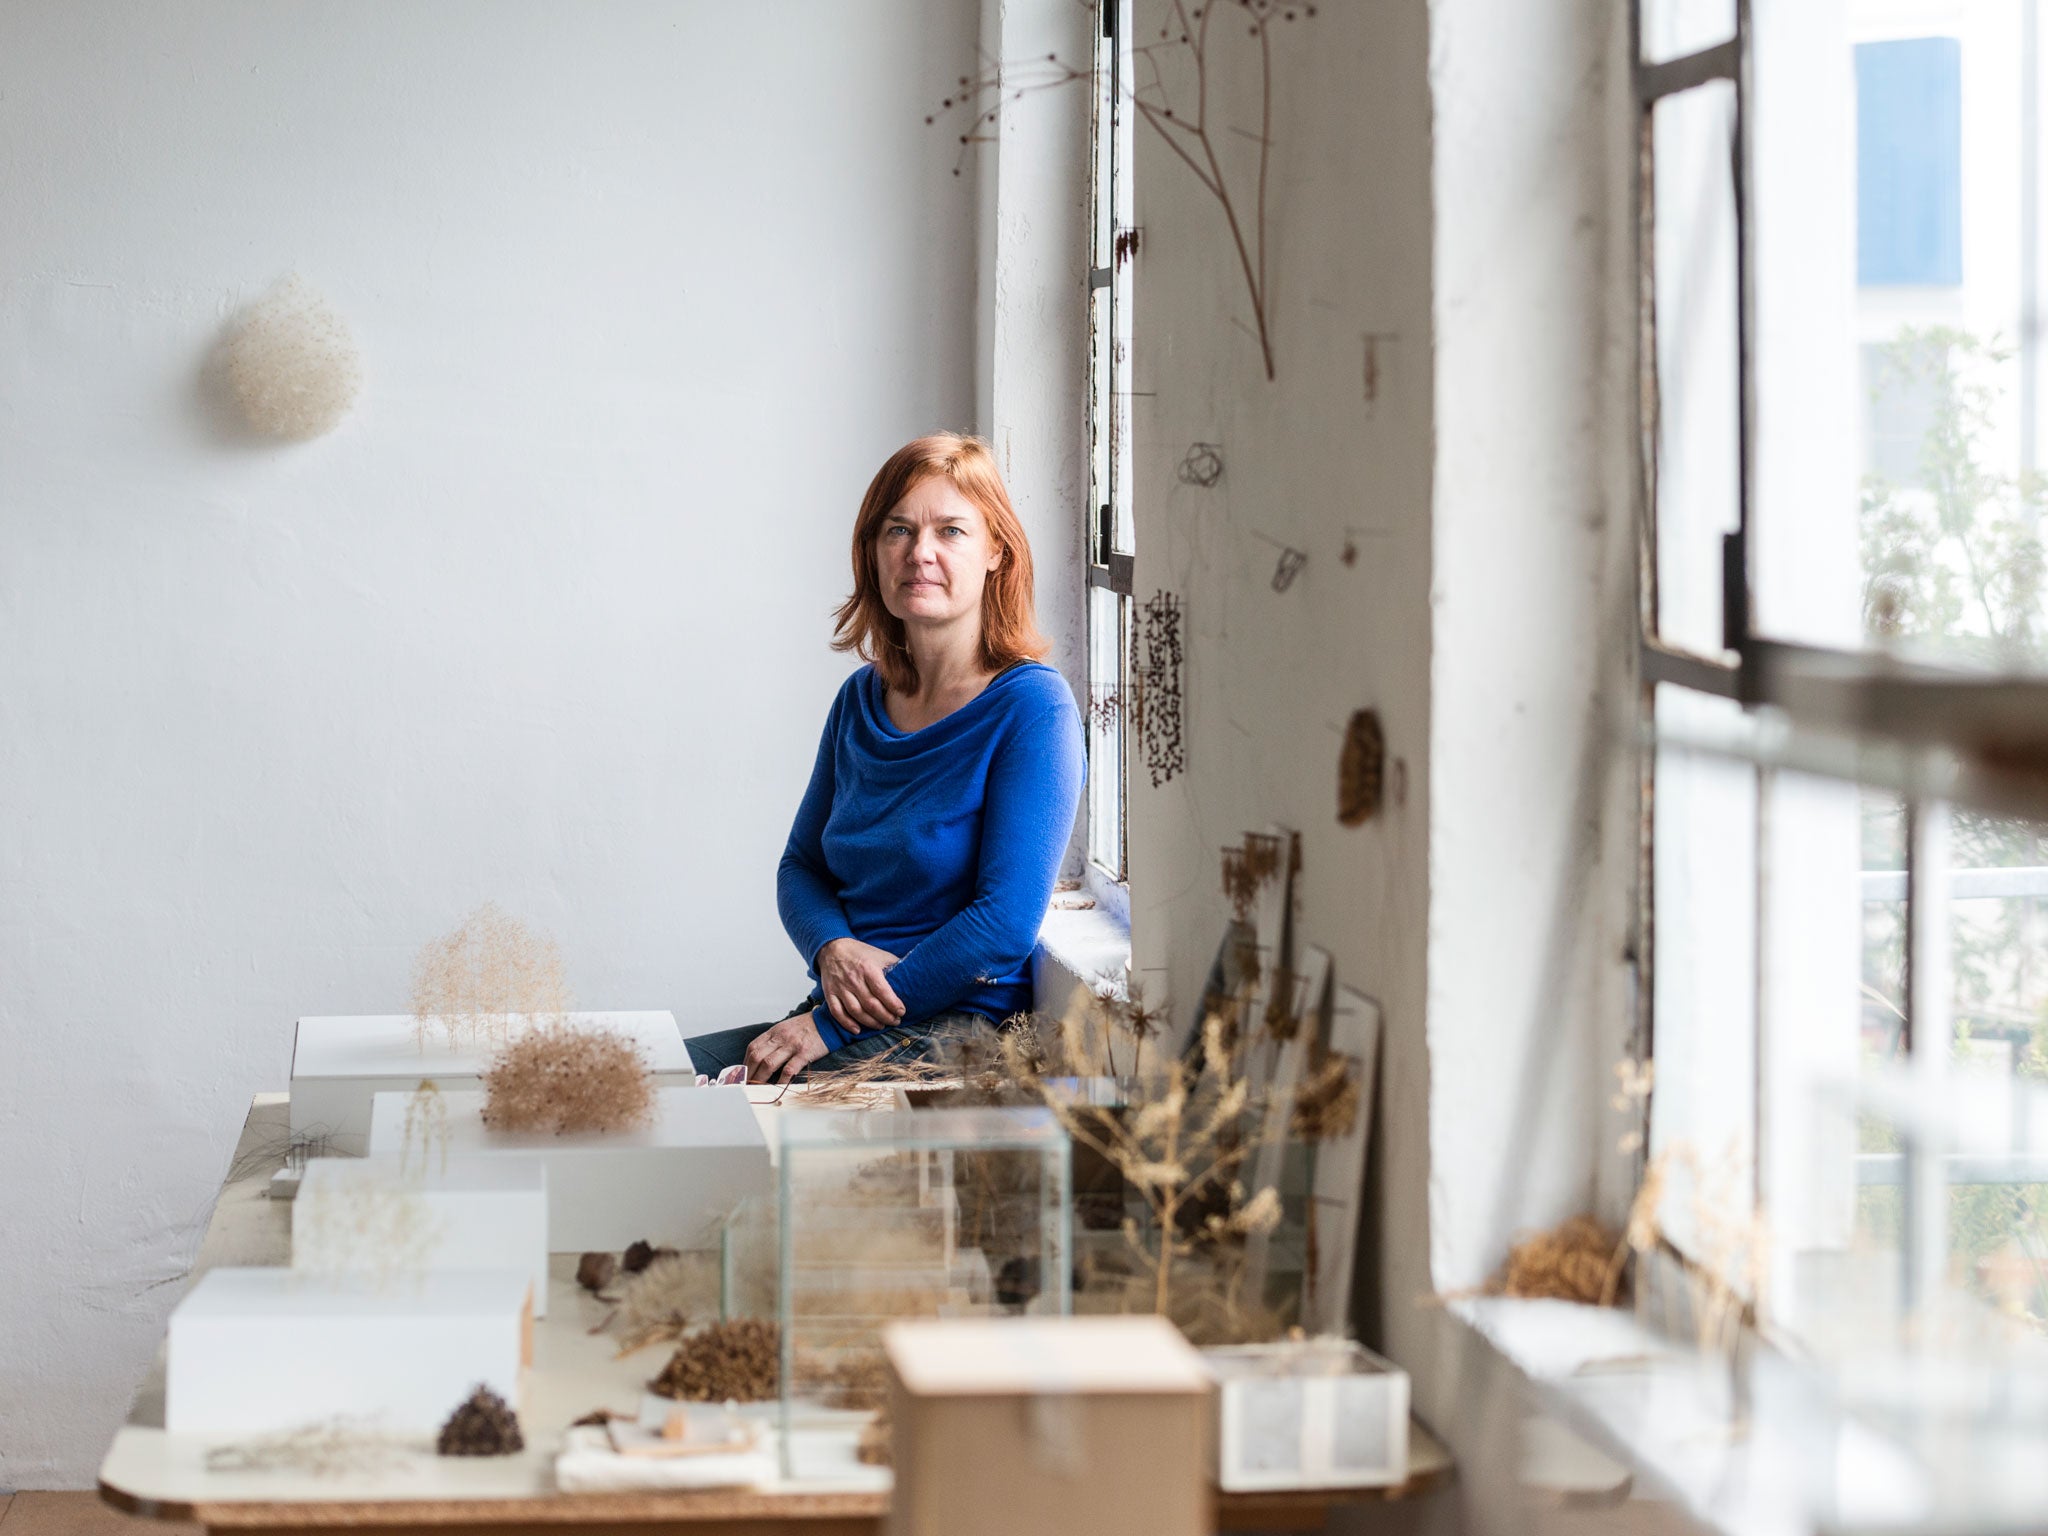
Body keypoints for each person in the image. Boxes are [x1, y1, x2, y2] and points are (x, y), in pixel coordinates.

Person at [685, 433, 1085, 1085]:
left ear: (996, 553)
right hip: (846, 1015)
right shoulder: (860, 701)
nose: (919, 552)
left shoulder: (1033, 708)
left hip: (960, 1033)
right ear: (872, 552)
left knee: (725, 1123)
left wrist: (829, 1026)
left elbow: (1004, 924)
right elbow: (801, 866)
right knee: (639, 1085)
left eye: (951, 531)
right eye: (898, 529)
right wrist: (831, 947)